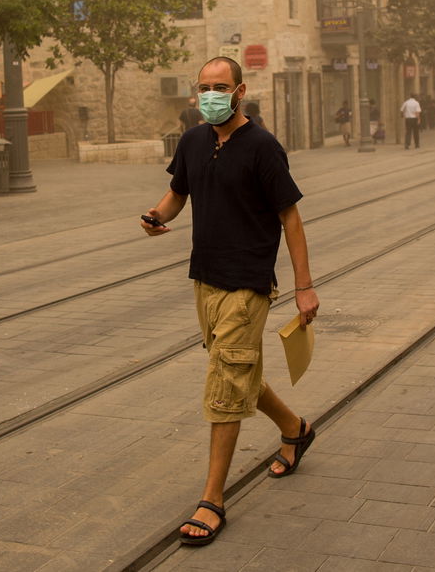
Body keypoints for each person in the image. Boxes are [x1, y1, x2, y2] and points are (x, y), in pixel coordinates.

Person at [140, 56, 318, 548]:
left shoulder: (262, 146)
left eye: (220, 87)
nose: (210, 95)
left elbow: (291, 218)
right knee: (235, 370)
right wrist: (156, 216)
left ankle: (212, 499)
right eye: (204, 87)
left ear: (240, 92)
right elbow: (178, 193)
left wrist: (304, 286)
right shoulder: (193, 141)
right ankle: (295, 429)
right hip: (205, 279)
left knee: (224, 385)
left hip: (247, 282)